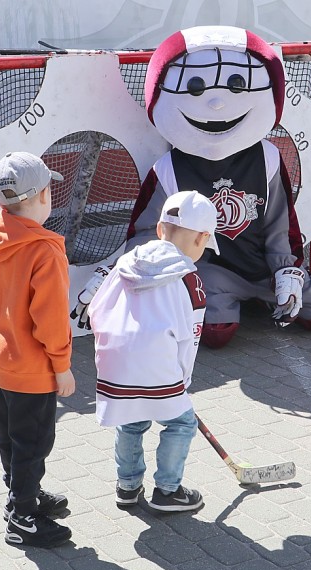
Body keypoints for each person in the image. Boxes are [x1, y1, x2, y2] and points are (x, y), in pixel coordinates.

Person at [71, 25, 311, 348]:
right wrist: (114, 274)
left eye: (237, 85)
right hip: (213, 274)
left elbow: (280, 228)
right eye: (196, 87)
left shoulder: (267, 158)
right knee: (215, 332)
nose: (216, 104)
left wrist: (287, 272)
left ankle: (267, 295)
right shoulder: (169, 168)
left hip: (261, 268)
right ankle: (237, 301)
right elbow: (146, 236)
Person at [88, 190, 218, 512]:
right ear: (202, 238)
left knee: (130, 421)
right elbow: (190, 338)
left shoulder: (125, 263)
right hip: (159, 365)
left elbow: (96, 308)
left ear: (160, 229)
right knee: (180, 423)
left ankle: (128, 487)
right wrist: (182, 382)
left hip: (115, 364)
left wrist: (111, 353)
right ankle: (168, 492)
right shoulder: (189, 280)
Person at [0, 151, 75, 548]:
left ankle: (22, 495)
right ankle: (22, 518)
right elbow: (52, 319)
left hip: (0, 364)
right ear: (41, 197)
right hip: (33, 371)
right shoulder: (45, 251)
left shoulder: (2, 238)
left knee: (12, 439)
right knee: (34, 443)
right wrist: (63, 366)